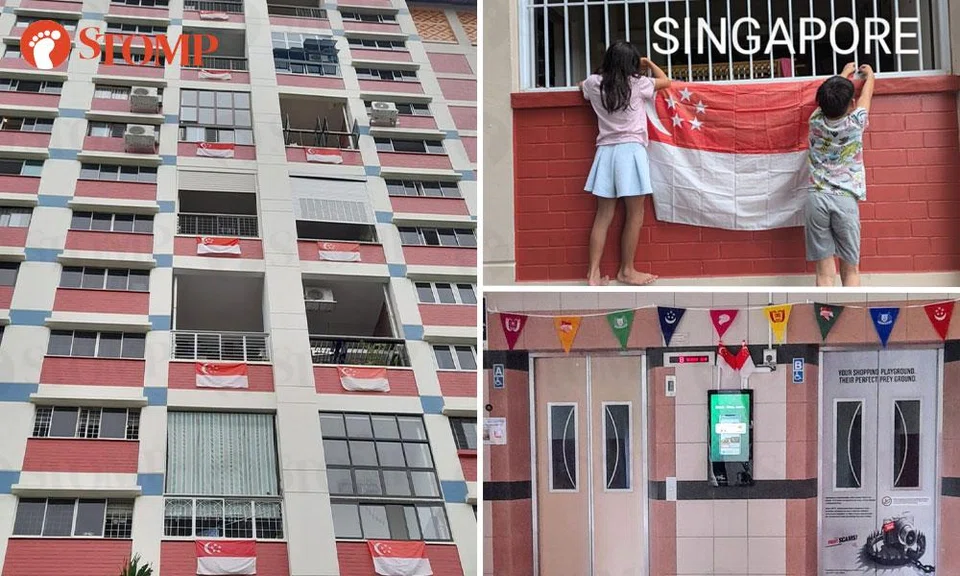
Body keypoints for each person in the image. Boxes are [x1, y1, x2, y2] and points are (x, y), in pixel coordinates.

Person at [580, 41, 671, 286]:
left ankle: (593, 274)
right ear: (632, 64)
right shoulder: (638, 83)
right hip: (631, 152)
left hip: (606, 153)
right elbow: (666, 81)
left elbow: (582, 86)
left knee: (603, 215)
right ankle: (626, 270)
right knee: (634, 214)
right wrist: (649, 63)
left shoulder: (593, 83)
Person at [806, 62, 875, 287]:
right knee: (851, 269)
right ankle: (850, 319)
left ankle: (825, 317)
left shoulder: (814, 121)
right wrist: (870, 76)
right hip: (845, 199)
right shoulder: (856, 123)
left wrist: (843, 74)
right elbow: (867, 97)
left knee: (824, 273)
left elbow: (827, 99)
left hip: (816, 198)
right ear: (851, 105)